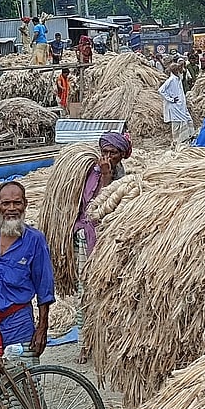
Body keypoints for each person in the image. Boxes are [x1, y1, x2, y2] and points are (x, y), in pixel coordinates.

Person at [72, 133, 131, 363]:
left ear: (122, 155)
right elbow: (93, 208)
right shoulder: (92, 174)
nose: (107, 157)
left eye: (113, 153)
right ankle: (84, 344)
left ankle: (107, 343)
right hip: (86, 239)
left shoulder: (122, 176)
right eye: (104, 152)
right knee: (85, 292)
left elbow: (116, 208)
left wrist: (108, 176)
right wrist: (104, 176)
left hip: (109, 240)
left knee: (108, 291)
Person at [0, 181, 54, 357]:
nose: (11, 208)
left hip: (19, 325)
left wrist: (42, 328)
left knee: (24, 373)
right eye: (6, 203)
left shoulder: (35, 240)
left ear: (25, 204)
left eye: (17, 203)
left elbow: (44, 288)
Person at [158, 62, 194, 148]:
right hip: (175, 107)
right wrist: (171, 99)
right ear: (175, 71)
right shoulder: (171, 80)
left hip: (181, 106)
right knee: (176, 125)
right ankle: (177, 143)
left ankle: (186, 139)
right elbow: (161, 90)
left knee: (187, 120)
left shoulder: (178, 79)